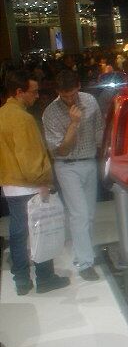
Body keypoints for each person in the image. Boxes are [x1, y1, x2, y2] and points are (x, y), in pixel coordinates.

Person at [0, 70, 70, 295]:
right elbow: (28, 156)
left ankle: (21, 280)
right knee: (42, 230)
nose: (37, 96)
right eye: (33, 92)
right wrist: (43, 181)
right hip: (30, 185)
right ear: (19, 92)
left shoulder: (2, 114)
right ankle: (45, 277)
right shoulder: (23, 119)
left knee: (18, 233)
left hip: (9, 185)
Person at [43, 70, 104, 281]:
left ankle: (85, 253)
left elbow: (99, 132)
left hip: (90, 162)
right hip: (66, 166)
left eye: (72, 93)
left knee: (89, 215)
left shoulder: (89, 100)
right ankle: (84, 262)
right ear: (58, 91)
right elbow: (61, 150)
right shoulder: (50, 113)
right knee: (79, 214)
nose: (69, 98)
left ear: (79, 86)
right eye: (64, 95)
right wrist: (74, 124)